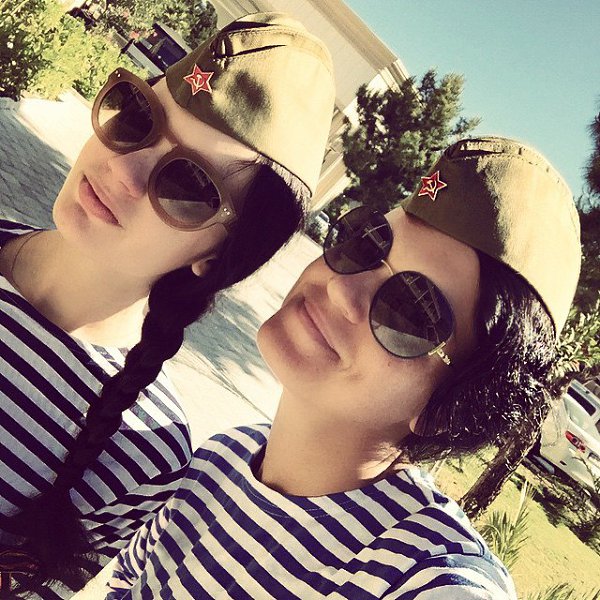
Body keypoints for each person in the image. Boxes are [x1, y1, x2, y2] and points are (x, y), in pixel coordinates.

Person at [107, 136, 581, 599]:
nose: (343, 290)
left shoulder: (422, 574)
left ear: (451, 409)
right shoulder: (220, 459)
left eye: (412, 311)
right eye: (366, 243)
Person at [0, 12, 335, 597]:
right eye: (136, 115)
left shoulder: (145, 448)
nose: (124, 168)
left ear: (218, 256)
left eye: (188, 186)